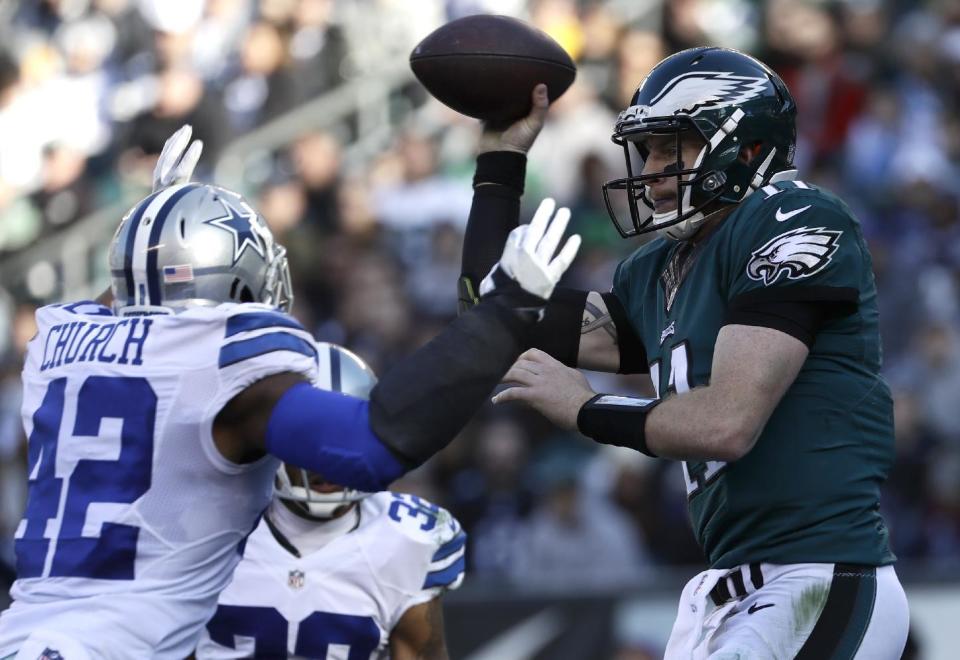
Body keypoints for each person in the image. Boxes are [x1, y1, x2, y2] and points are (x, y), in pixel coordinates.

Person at [0, 126, 579, 659]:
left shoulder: (61, 341)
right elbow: (374, 446)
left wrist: (157, 229)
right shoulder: (224, 363)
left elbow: (134, 303)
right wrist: (505, 314)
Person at [460, 47, 908, 658]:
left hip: (819, 575)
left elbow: (728, 423)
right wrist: (501, 157)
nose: (653, 169)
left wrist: (586, 409)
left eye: (674, 148)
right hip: (728, 592)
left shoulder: (789, 217)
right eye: (649, 151)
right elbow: (491, 314)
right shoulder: (659, 269)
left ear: (746, 147)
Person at [196, 344, 463, 660]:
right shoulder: (206, 526)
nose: (328, 461)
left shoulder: (407, 538)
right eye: (311, 441)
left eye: (345, 440)